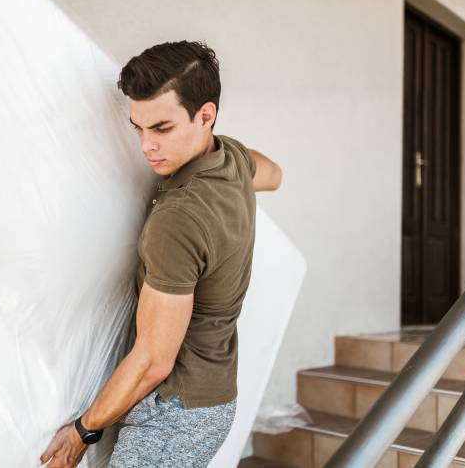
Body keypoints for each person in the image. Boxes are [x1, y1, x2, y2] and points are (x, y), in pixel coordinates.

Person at [39, 40, 283, 468]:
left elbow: (154, 359)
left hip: (173, 414)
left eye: (162, 129)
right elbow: (275, 174)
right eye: (138, 127)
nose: (147, 145)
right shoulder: (230, 158)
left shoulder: (179, 219)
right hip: (214, 398)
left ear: (205, 116)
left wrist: (83, 431)